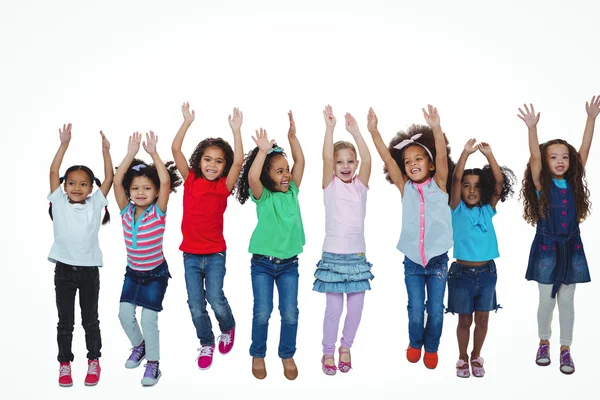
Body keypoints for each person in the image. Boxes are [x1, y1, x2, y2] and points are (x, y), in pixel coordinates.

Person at [368, 105, 454, 369]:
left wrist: (436, 128)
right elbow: (387, 157)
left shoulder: (439, 183)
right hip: (413, 262)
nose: (412, 163)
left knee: (436, 310)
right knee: (416, 308)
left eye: (418, 158)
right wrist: (373, 131)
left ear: (429, 164)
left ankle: (432, 347)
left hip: (438, 261)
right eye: (408, 161)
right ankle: (415, 342)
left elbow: (441, 156)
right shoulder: (404, 187)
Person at [519, 96, 599, 375]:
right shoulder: (542, 184)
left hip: (572, 247)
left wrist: (592, 118)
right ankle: (544, 342)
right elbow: (533, 157)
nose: (560, 160)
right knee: (546, 300)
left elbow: (585, 147)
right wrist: (532, 128)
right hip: (546, 248)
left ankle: (565, 349)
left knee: (567, 299)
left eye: (565, 156)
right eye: (553, 157)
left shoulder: (574, 181)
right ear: (545, 161)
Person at [171, 103, 244, 369]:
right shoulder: (190, 179)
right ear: (199, 160)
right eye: (207, 159)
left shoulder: (224, 186)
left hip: (214, 254)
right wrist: (187, 122)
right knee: (195, 304)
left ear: (224, 166)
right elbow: (176, 150)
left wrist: (236, 130)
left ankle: (228, 325)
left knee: (215, 298)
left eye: (218, 160)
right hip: (190, 254)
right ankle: (206, 342)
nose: (212, 164)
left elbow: (239, 160)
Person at [235, 112, 305, 380]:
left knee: (289, 312)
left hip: (289, 264)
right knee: (262, 311)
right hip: (263, 263)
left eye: (287, 170)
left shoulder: (293, 190)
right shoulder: (262, 196)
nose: (287, 174)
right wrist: (263, 152)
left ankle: (287, 353)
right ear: (268, 175)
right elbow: (253, 177)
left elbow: (301, 160)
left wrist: (292, 137)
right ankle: (258, 353)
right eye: (280, 171)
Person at [113, 131, 182, 386]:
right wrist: (130, 154)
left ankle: (153, 364)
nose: (141, 192)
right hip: (133, 273)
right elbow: (117, 182)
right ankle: (139, 346)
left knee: (148, 319)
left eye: (146, 188)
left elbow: (165, 182)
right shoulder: (125, 211)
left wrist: (153, 152)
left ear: (155, 192)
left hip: (155, 275)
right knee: (123, 314)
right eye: (136, 188)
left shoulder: (158, 213)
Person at [48, 123, 113, 387]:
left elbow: (109, 178)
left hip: (89, 272)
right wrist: (64, 144)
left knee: (90, 320)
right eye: (71, 183)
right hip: (63, 271)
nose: (77, 187)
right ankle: (65, 364)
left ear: (90, 188)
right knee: (65, 322)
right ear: (64, 187)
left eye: (83, 184)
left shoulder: (96, 203)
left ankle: (93, 360)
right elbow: (53, 170)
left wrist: (105, 151)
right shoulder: (59, 201)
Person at [447, 138, 516, 378]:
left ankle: (476, 355)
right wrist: (465, 154)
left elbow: (498, 183)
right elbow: (455, 178)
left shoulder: (488, 209)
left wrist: (489, 155)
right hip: (461, 275)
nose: (472, 190)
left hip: (487, 274)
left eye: (476, 186)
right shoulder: (456, 209)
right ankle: (462, 357)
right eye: (467, 185)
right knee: (464, 321)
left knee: (483, 320)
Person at [313, 105, 373, 375]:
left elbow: (369, 161)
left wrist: (357, 133)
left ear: (356, 164)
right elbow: (325, 158)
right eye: (340, 162)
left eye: (350, 161)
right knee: (333, 309)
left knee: (356, 308)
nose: (345, 166)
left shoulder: (360, 186)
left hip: (357, 258)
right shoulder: (330, 184)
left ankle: (345, 347)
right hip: (333, 258)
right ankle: (327, 351)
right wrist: (330, 128)